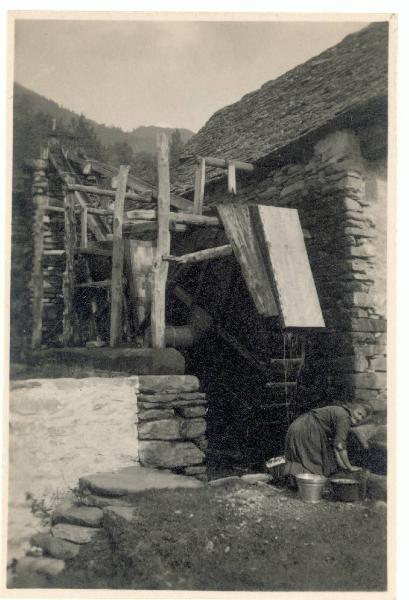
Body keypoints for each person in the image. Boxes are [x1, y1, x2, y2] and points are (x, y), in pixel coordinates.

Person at [283, 402, 373, 481]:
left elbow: (336, 445)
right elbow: (340, 446)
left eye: (362, 417)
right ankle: (308, 486)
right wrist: (350, 466)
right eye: (359, 413)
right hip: (308, 429)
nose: (359, 418)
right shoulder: (345, 417)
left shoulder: (342, 411)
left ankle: (295, 481)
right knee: (313, 460)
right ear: (352, 409)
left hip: (299, 426)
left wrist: (342, 465)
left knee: (302, 457)